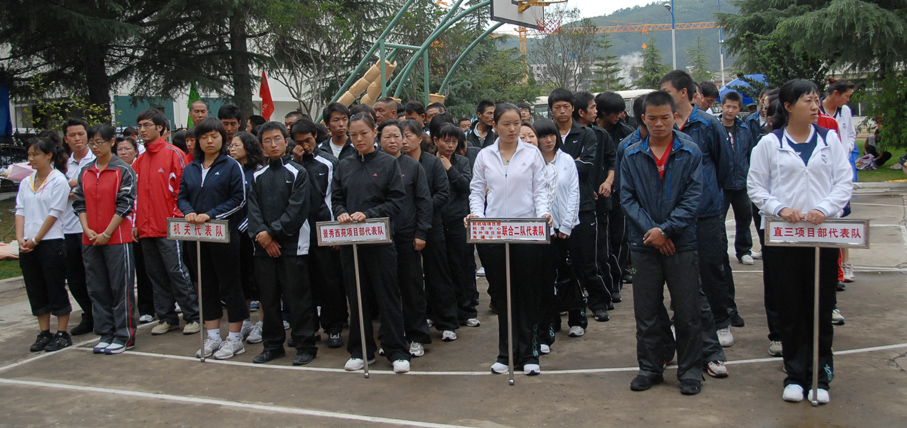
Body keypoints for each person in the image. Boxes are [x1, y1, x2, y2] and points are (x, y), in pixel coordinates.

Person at [748, 79, 852, 404]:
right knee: (790, 306)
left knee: (820, 305)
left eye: (817, 100)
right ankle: (794, 375)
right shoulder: (769, 144)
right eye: (808, 100)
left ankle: (820, 375)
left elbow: (844, 181)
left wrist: (825, 208)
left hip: (821, 235)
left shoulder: (829, 139)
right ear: (789, 106)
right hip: (784, 237)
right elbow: (756, 187)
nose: (815, 106)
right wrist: (780, 208)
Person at [621, 90, 704, 395]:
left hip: (682, 243)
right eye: (652, 118)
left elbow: (694, 197)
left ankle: (690, 371)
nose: (659, 124)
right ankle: (650, 368)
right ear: (643, 118)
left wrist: (667, 231)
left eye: (665, 117)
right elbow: (627, 199)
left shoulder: (690, 151)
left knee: (687, 311)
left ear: (675, 117)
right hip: (644, 245)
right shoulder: (631, 154)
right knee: (647, 312)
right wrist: (654, 233)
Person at [468, 103, 551, 376]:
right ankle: (506, 354)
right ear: (495, 126)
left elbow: (540, 189)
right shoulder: (484, 156)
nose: (513, 129)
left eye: (517, 123)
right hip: (493, 233)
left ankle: (530, 354)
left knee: (527, 293)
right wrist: (477, 216)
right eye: (506, 124)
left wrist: (543, 214)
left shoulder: (532, 154)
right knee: (503, 296)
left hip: (527, 231)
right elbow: (477, 190)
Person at [661, 70, 741, 343]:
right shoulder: (665, 125)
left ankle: (720, 322)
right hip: (675, 213)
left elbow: (723, 165)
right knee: (678, 271)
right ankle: (680, 319)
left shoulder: (707, 124)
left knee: (711, 267)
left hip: (706, 211)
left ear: (684, 92)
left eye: (667, 92)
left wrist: (709, 193)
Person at [332, 113, 411, 373]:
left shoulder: (388, 163)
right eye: (353, 135)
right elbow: (336, 198)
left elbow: (396, 201)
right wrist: (341, 213)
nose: (358, 139)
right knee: (356, 297)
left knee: (387, 296)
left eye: (363, 133)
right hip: (351, 242)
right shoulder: (344, 164)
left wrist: (369, 214)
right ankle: (360, 350)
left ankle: (397, 351)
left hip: (380, 240)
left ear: (374, 132)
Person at [247, 121, 319, 366]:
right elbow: (253, 211)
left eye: (277, 139)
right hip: (264, 247)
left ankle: (305, 345)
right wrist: (264, 237)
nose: (273, 144)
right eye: (267, 141)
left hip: (293, 245)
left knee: (298, 298)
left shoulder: (298, 172)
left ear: (286, 141)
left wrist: (273, 233)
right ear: (261, 146)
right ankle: (273, 345)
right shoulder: (257, 176)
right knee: (268, 299)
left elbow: (297, 210)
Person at [176, 117, 249, 360]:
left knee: (230, 284)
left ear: (223, 139)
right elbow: (182, 196)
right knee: (205, 285)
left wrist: (211, 215)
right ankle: (213, 336)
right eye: (204, 137)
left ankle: (235, 338)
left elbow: (238, 199)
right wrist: (189, 212)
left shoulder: (231, 166)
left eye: (214, 136)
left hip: (224, 234)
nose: (209, 141)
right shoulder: (191, 167)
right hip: (196, 236)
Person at [132, 108, 201, 336]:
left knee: (176, 270)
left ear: (160, 128)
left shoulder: (174, 154)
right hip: (145, 227)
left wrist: (178, 216)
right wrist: (136, 223)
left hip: (170, 226)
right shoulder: (140, 160)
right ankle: (167, 317)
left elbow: (185, 189)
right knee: (155, 274)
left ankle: (193, 316)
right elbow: (135, 196)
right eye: (140, 126)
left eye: (147, 125)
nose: (142, 130)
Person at [73, 124, 137, 354]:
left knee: (120, 287)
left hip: (116, 238)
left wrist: (107, 233)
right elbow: (79, 202)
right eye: (92, 143)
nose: (95, 147)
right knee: (97, 288)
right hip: (90, 238)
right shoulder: (86, 171)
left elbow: (125, 204)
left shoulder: (123, 170)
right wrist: (87, 229)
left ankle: (124, 335)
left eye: (99, 142)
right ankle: (105, 332)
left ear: (111, 142)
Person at [549, 88, 611, 323]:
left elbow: (587, 166)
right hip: (553, 208)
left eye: (566, 106)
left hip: (582, 204)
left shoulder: (586, 134)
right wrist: (570, 164)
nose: (562, 111)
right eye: (557, 107)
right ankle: (567, 302)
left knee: (586, 259)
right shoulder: (547, 134)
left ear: (573, 108)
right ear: (551, 110)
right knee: (558, 262)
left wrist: (557, 166)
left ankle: (598, 302)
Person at [378, 119, 434, 357]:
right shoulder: (375, 165)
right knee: (387, 290)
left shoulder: (412, 166)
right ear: (379, 140)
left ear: (403, 139)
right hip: (380, 237)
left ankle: (416, 336)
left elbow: (424, 201)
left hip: (407, 236)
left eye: (396, 136)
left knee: (412, 288)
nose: (392, 141)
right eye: (387, 136)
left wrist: (421, 232)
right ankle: (391, 337)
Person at [289, 119, 346, 349]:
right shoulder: (290, 164)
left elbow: (336, 198)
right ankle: (308, 328)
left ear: (315, 135)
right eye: (299, 142)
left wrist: (334, 232)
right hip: (299, 233)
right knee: (303, 285)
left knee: (330, 282)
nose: (305, 146)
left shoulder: (329, 162)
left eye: (308, 140)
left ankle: (334, 328)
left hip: (325, 231)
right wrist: (296, 162)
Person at [401, 119, 459, 342]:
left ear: (419, 138)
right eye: (400, 136)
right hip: (408, 228)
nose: (403, 141)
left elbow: (443, 194)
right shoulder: (397, 163)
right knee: (411, 277)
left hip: (432, 226)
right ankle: (420, 318)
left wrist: (422, 210)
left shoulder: (433, 163)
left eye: (407, 136)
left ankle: (447, 322)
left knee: (438, 274)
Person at [18, 137, 73, 353]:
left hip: (51, 241)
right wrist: (21, 238)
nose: (31, 159)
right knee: (35, 287)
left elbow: (54, 213)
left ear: (49, 155)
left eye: (35, 155)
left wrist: (37, 239)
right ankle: (44, 332)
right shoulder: (26, 182)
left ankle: (62, 332)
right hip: (28, 243)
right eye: (29, 155)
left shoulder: (58, 180)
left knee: (55, 286)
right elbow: (20, 210)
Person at [530, 118, 580, 353]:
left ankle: (577, 317)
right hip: (543, 231)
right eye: (543, 136)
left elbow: (573, 193)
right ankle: (551, 323)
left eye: (552, 135)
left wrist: (566, 226)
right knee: (547, 278)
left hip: (567, 228)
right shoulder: (532, 162)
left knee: (571, 273)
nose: (548, 140)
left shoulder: (566, 160)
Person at [434, 123, 480, 328]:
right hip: (436, 220)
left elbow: (467, 186)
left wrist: (449, 168)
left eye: (454, 141)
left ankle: (466, 310)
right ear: (436, 141)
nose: (451, 145)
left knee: (461, 266)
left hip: (458, 220)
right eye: (446, 141)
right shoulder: (428, 161)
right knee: (439, 269)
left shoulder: (462, 162)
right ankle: (439, 312)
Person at [597, 92, 636, 288]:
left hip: (621, 193)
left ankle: (620, 276)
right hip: (598, 194)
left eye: (621, 112)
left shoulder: (626, 133)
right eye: (615, 112)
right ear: (603, 112)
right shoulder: (591, 132)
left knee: (620, 237)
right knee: (603, 240)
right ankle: (607, 278)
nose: (619, 116)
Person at [821, 78, 858, 285]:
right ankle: (829, 267)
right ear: (835, 93)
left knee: (842, 219)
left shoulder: (845, 112)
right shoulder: (817, 111)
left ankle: (845, 264)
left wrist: (846, 150)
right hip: (823, 172)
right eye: (847, 96)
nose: (848, 99)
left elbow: (850, 135)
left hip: (840, 170)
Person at [228, 131, 264, 343]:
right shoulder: (231, 170)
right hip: (234, 234)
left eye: (236, 145)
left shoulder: (258, 172)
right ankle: (245, 322)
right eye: (231, 145)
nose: (231, 149)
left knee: (259, 280)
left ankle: (263, 323)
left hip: (254, 233)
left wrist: (248, 224)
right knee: (240, 279)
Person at [61, 119, 95, 336]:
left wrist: (76, 187)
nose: (77, 139)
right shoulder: (63, 165)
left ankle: (102, 314)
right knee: (74, 279)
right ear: (66, 139)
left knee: (95, 275)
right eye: (72, 135)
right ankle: (89, 314)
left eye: (81, 134)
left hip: (92, 227)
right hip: (68, 228)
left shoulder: (96, 160)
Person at [116, 136, 154, 324]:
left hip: (140, 227)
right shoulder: (115, 172)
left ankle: (147, 307)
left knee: (144, 269)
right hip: (118, 228)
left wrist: (137, 224)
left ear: (135, 151)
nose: (123, 152)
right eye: (120, 149)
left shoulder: (140, 170)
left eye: (127, 149)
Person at [718, 92, 756, 266]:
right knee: (719, 220)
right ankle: (721, 252)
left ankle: (744, 250)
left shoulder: (745, 129)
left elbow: (750, 155)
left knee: (744, 218)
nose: (730, 110)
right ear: (722, 106)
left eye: (734, 107)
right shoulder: (715, 128)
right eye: (728, 106)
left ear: (739, 109)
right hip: (722, 183)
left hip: (742, 182)